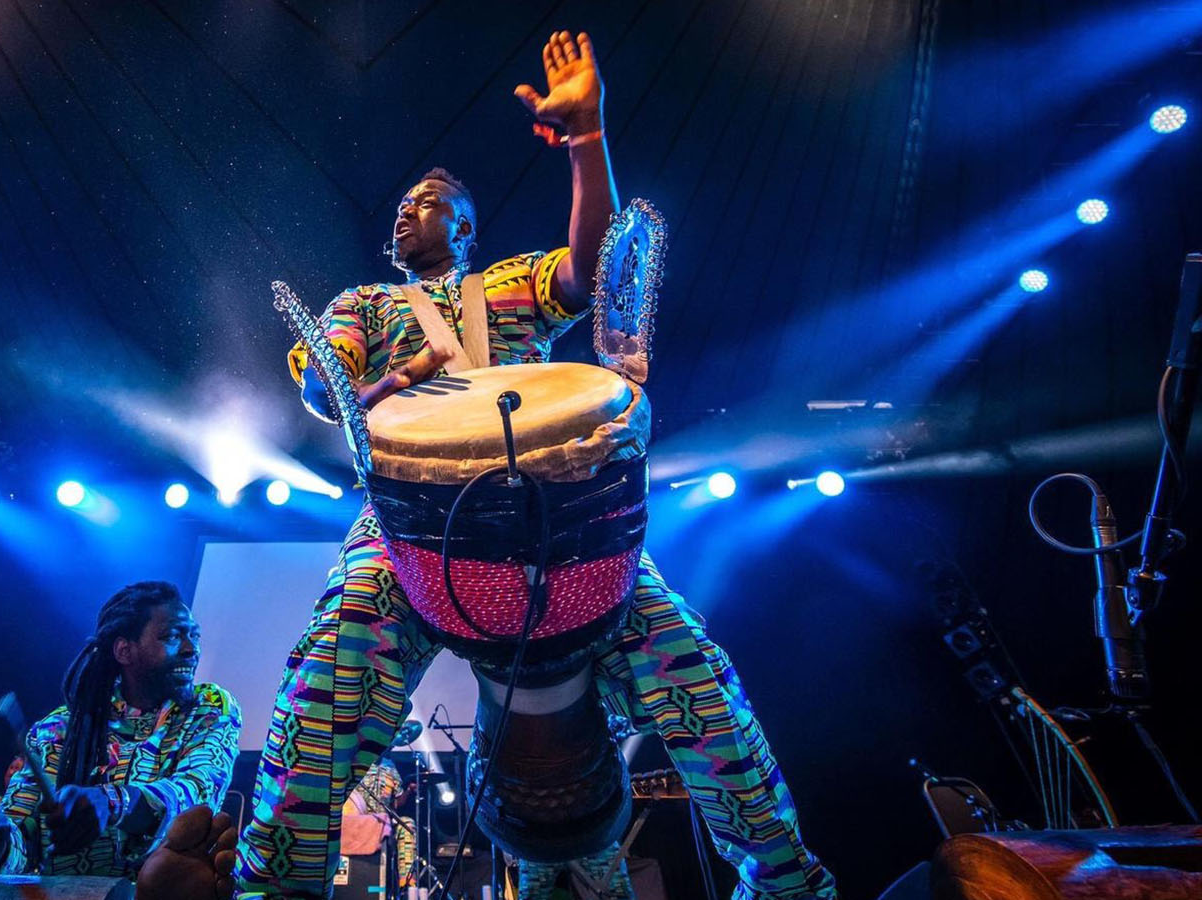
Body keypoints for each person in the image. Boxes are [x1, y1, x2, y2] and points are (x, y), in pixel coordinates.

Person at [236, 31, 836, 900]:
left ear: (469, 230)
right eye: (403, 205)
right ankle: (272, 888)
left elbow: (591, 275)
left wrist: (587, 138)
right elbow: (328, 388)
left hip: (561, 515)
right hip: (410, 530)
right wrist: (401, 374)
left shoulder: (512, 284)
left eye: (431, 201)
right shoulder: (364, 304)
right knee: (319, 703)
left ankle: (787, 884)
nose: (408, 211)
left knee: (705, 696)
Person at [0, 581, 242, 881]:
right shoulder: (58, 729)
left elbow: (195, 795)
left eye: (194, 635)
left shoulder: (209, 706)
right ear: (124, 650)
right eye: (173, 636)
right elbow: (23, 836)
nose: (191, 649)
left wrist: (113, 802)